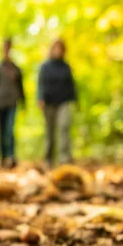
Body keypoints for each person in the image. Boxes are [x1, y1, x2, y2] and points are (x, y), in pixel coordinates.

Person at [37, 39, 77, 167]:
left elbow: (71, 85)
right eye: (56, 48)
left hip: (64, 101)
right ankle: (48, 160)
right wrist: (40, 98)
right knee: (50, 132)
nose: (58, 51)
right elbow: (40, 84)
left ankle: (64, 158)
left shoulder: (66, 67)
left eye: (60, 48)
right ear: (52, 49)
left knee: (64, 127)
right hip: (48, 102)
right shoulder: (45, 66)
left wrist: (75, 99)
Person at [0, 38, 25, 169]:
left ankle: (11, 156)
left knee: (9, 130)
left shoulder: (16, 69)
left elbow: (21, 87)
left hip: (12, 103)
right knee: (1, 131)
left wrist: (23, 103)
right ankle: (3, 157)